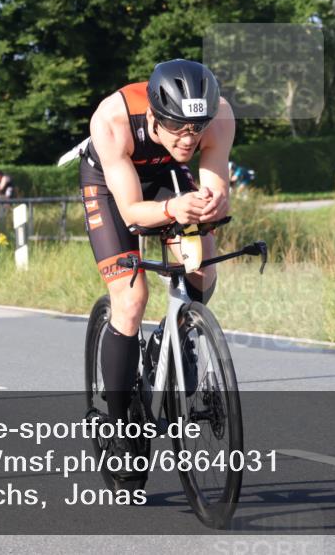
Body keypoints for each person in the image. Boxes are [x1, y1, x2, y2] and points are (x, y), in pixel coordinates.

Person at [79, 59, 234, 477]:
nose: (189, 138)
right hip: (110, 185)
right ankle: (118, 425)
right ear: (154, 117)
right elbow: (132, 211)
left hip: (167, 176)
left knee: (202, 266)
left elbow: (214, 183)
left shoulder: (219, 115)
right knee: (132, 298)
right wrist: (171, 210)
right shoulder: (113, 120)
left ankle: (176, 335)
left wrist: (212, 203)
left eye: (196, 128)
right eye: (179, 127)